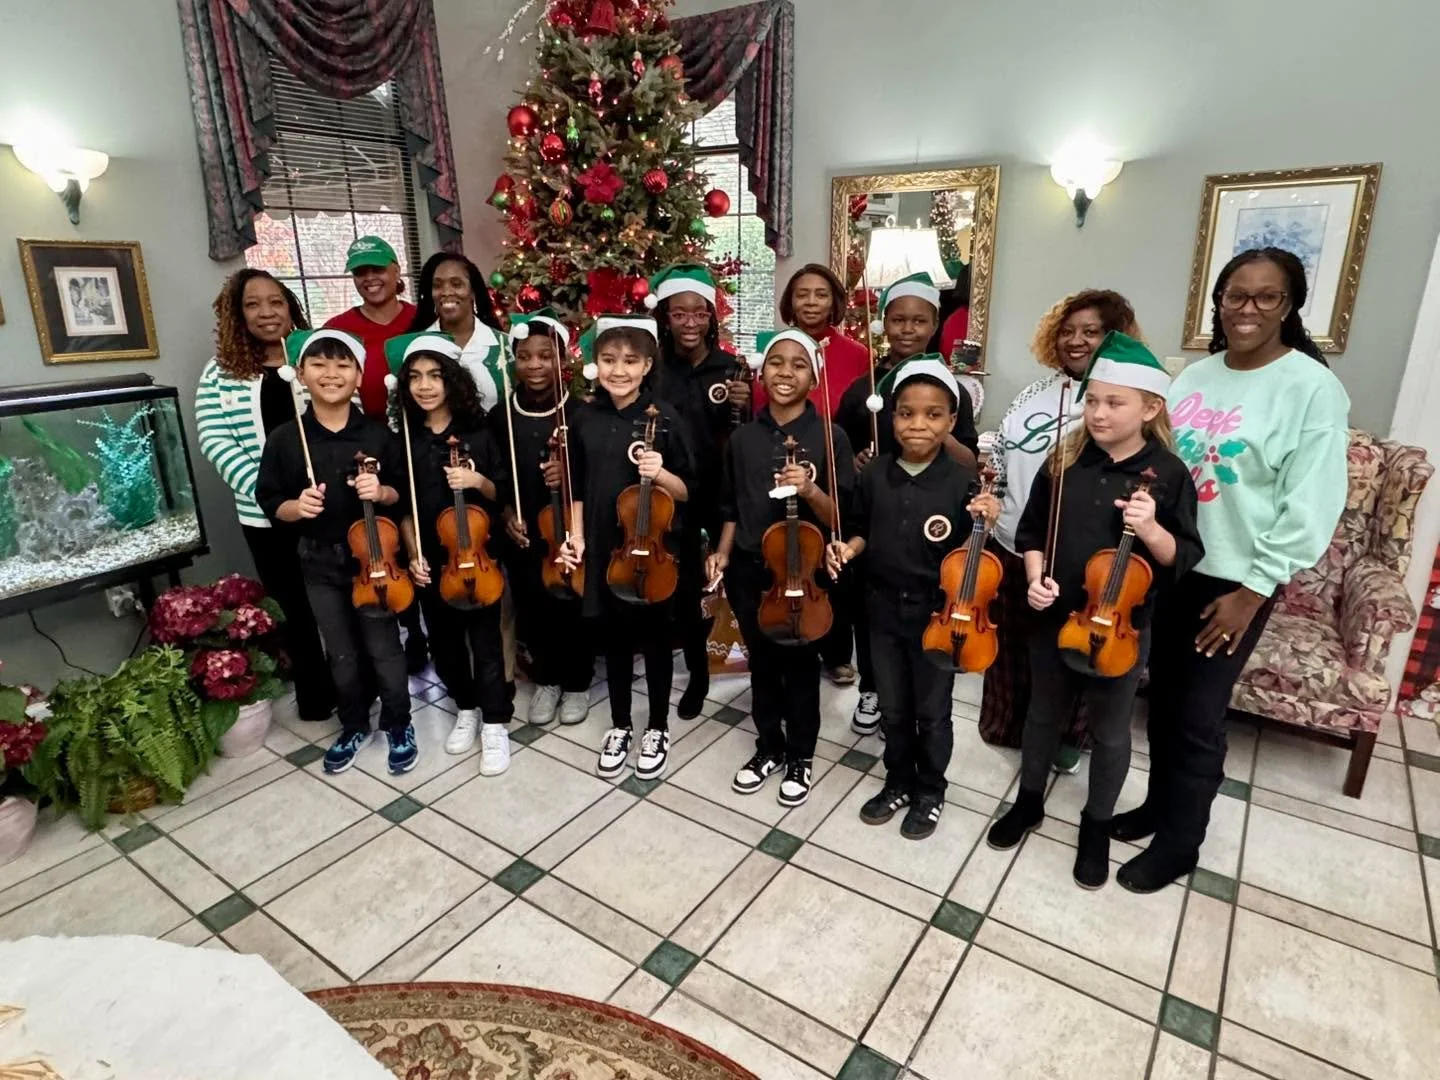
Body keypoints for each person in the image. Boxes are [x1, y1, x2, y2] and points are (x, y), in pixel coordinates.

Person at [1112, 247, 1350, 893]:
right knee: (1161, 700)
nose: (1247, 309)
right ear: (1217, 301)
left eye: (1265, 297)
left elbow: (1313, 501)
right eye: (1235, 295)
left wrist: (1255, 588)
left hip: (1235, 579)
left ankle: (1182, 843)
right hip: (1171, 560)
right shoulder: (1193, 377)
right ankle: (1160, 808)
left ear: (1289, 306)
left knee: (1197, 714)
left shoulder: (1311, 389)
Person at [985, 332, 1203, 888]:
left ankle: (1096, 824)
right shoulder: (1065, 460)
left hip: (1123, 630)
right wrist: (1035, 577)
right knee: (1042, 714)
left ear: (1150, 408)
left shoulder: (1169, 475)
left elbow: (1182, 558)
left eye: (1114, 403)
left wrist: (1151, 528)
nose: (1098, 412)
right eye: (1092, 400)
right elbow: (1031, 531)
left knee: (1109, 733)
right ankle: (1029, 801)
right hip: (1056, 617)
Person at [827, 357, 998, 840]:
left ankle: (930, 789)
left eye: (932, 414)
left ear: (949, 420)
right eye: (906, 413)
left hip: (936, 616)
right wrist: (848, 546)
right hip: (880, 610)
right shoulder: (874, 474)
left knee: (932, 710)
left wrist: (987, 518)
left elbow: (973, 561)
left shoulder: (963, 483)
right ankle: (898, 778)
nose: (917, 425)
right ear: (891, 417)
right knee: (894, 707)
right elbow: (860, 530)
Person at [980, 290, 1143, 773]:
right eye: (1068, 331)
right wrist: (994, 500)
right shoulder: (1035, 393)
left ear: (1114, 336)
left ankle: (1071, 738)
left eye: (1090, 332)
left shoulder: (1118, 400)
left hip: (1081, 557)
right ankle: (1009, 725)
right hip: (1014, 541)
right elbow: (1006, 454)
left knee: (1070, 651)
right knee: (1013, 645)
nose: (1076, 341)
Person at [255, 329, 417, 776]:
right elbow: (269, 500)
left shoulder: (378, 435)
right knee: (341, 651)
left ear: (359, 374)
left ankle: (399, 722)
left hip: (377, 560)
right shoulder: (287, 438)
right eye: (320, 365)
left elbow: (403, 496)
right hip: (318, 560)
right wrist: (296, 506)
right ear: (301, 375)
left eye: (343, 364)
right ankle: (353, 722)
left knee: (385, 646)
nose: (331, 374)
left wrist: (380, 490)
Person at [707, 329, 855, 807]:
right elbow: (729, 505)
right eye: (776, 363)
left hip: (807, 573)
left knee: (802, 665)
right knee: (763, 663)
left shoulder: (831, 437)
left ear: (814, 377)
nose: (785, 372)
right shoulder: (744, 438)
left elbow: (843, 518)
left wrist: (810, 489)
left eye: (798, 364)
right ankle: (768, 745)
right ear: (760, 371)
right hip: (751, 569)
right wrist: (724, 553)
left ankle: (801, 755)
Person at [835, 271, 980, 737]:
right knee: (871, 612)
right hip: (881, 504)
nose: (907, 330)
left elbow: (969, 457)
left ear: (934, 324)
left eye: (918, 321)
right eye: (897, 320)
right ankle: (874, 689)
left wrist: (933, 435)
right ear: (883, 323)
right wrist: (860, 460)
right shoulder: (865, 388)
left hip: (927, 511)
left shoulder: (951, 391)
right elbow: (843, 445)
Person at [196, 270, 336, 723]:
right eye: (253, 305)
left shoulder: (314, 356)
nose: (266, 313)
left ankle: (358, 686)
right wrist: (272, 499)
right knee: (292, 606)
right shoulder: (220, 372)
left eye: (275, 302)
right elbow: (214, 439)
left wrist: (320, 494)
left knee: (339, 601)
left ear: (289, 306)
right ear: (238, 315)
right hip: (264, 516)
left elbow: (342, 419)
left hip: (326, 508)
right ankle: (316, 694)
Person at [570, 315, 694, 780]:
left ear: (646, 366)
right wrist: (577, 536)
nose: (618, 370)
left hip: (653, 551)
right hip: (606, 549)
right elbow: (579, 488)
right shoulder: (585, 417)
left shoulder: (664, 419)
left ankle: (657, 725)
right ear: (594, 364)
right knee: (616, 641)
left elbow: (686, 492)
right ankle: (621, 724)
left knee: (657, 642)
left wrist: (660, 474)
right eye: (608, 360)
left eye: (629, 361)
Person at [387, 332, 515, 777]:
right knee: (443, 643)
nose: (425, 386)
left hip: (477, 556)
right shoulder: (403, 440)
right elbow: (401, 506)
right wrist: (413, 552)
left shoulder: (478, 434)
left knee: (486, 644)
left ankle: (495, 722)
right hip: (431, 559)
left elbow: (501, 492)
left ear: (452, 381)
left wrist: (476, 483)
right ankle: (466, 707)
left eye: (435, 376)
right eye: (416, 377)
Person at [648, 265, 749, 719]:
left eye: (699, 314)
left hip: (720, 491)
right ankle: (698, 675)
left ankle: (746, 659)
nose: (690, 323)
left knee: (737, 578)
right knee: (686, 589)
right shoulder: (653, 367)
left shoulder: (729, 367)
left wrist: (743, 406)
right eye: (679, 314)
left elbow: (744, 436)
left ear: (711, 316)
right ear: (665, 318)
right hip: (673, 493)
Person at [325, 235, 428, 673]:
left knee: (416, 537)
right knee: (378, 543)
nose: (370, 279)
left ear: (395, 270)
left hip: (417, 444)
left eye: (377, 269)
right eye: (360, 272)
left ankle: (424, 631)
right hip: (365, 448)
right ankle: (395, 635)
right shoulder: (340, 327)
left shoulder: (421, 320)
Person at [766, 263, 871, 688]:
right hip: (788, 460)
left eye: (821, 294)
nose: (811, 302)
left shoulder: (858, 354)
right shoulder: (775, 348)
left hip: (833, 459)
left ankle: (836, 652)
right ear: (790, 301)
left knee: (835, 558)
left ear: (836, 301)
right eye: (802, 294)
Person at [492, 309, 593, 727]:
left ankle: (577, 682)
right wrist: (506, 514)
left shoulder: (582, 413)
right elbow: (495, 473)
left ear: (562, 359)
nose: (535, 365)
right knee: (533, 604)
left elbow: (596, 476)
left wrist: (568, 475)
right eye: (525, 356)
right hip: (524, 532)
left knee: (572, 604)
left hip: (570, 530)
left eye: (545, 355)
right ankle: (547, 678)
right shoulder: (501, 415)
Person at [409, 252, 508, 414]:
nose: (446, 292)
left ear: (473, 292)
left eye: (456, 284)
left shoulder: (505, 345)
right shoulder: (415, 346)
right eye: (437, 285)